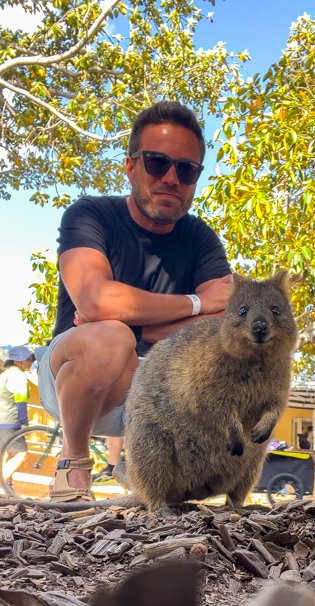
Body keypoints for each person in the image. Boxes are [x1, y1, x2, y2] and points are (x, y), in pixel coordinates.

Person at [35, 100, 233, 502]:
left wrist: (129, 317)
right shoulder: (90, 215)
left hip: (157, 393)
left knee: (246, 361)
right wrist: (196, 305)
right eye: (157, 163)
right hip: (73, 378)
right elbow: (93, 301)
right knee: (109, 340)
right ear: (130, 165)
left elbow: (228, 323)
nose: (172, 178)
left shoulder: (201, 238)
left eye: (187, 169)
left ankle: (154, 472)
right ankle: (73, 465)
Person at [0, 346, 35, 482]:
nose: (30, 362)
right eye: (28, 359)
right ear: (17, 361)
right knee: (22, 454)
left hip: (2, 420)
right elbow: (20, 400)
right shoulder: (18, 375)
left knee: (6, 454)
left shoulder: (4, 374)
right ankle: (2, 485)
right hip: (10, 420)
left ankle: (6, 486)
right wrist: (24, 423)